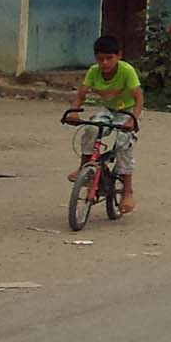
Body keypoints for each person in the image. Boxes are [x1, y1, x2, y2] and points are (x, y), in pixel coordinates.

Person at [67, 34, 144, 213]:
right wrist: (73, 112)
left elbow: (139, 97)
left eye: (110, 58)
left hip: (128, 111)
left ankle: (127, 192)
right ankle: (84, 166)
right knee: (91, 128)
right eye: (100, 59)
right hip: (109, 110)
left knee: (125, 144)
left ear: (119, 56)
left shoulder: (127, 71)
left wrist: (132, 119)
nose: (105, 63)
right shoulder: (93, 71)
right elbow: (81, 95)